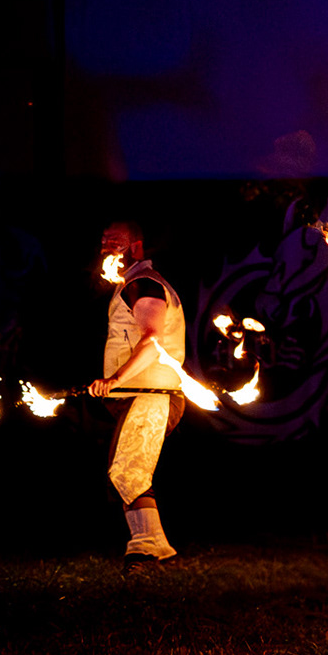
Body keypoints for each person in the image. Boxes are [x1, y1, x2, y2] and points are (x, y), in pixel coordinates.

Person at [88, 222, 189, 573]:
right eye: (103, 240)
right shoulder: (132, 285)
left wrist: (115, 378)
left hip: (153, 395)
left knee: (128, 470)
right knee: (127, 470)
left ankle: (146, 549)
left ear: (137, 247)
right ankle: (155, 544)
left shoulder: (143, 285)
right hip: (143, 395)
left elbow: (151, 340)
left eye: (115, 241)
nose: (107, 247)